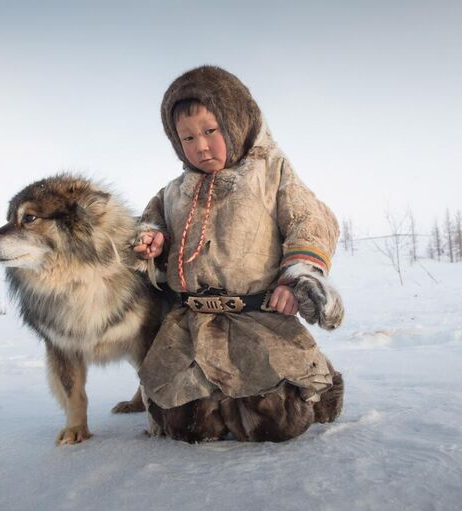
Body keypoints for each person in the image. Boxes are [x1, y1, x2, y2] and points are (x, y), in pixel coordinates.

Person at [133, 65, 345, 443]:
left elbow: (309, 220)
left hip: (257, 319)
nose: (200, 146)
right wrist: (153, 240)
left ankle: (317, 381)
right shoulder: (173, 192)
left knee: (275, 423)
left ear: (235, 120)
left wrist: (299, 276)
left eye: (210, 131)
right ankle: (213, 398)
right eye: (187, 137)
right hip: (192, 326)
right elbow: (152, 222)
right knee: (186, 426)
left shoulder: (270, 171)